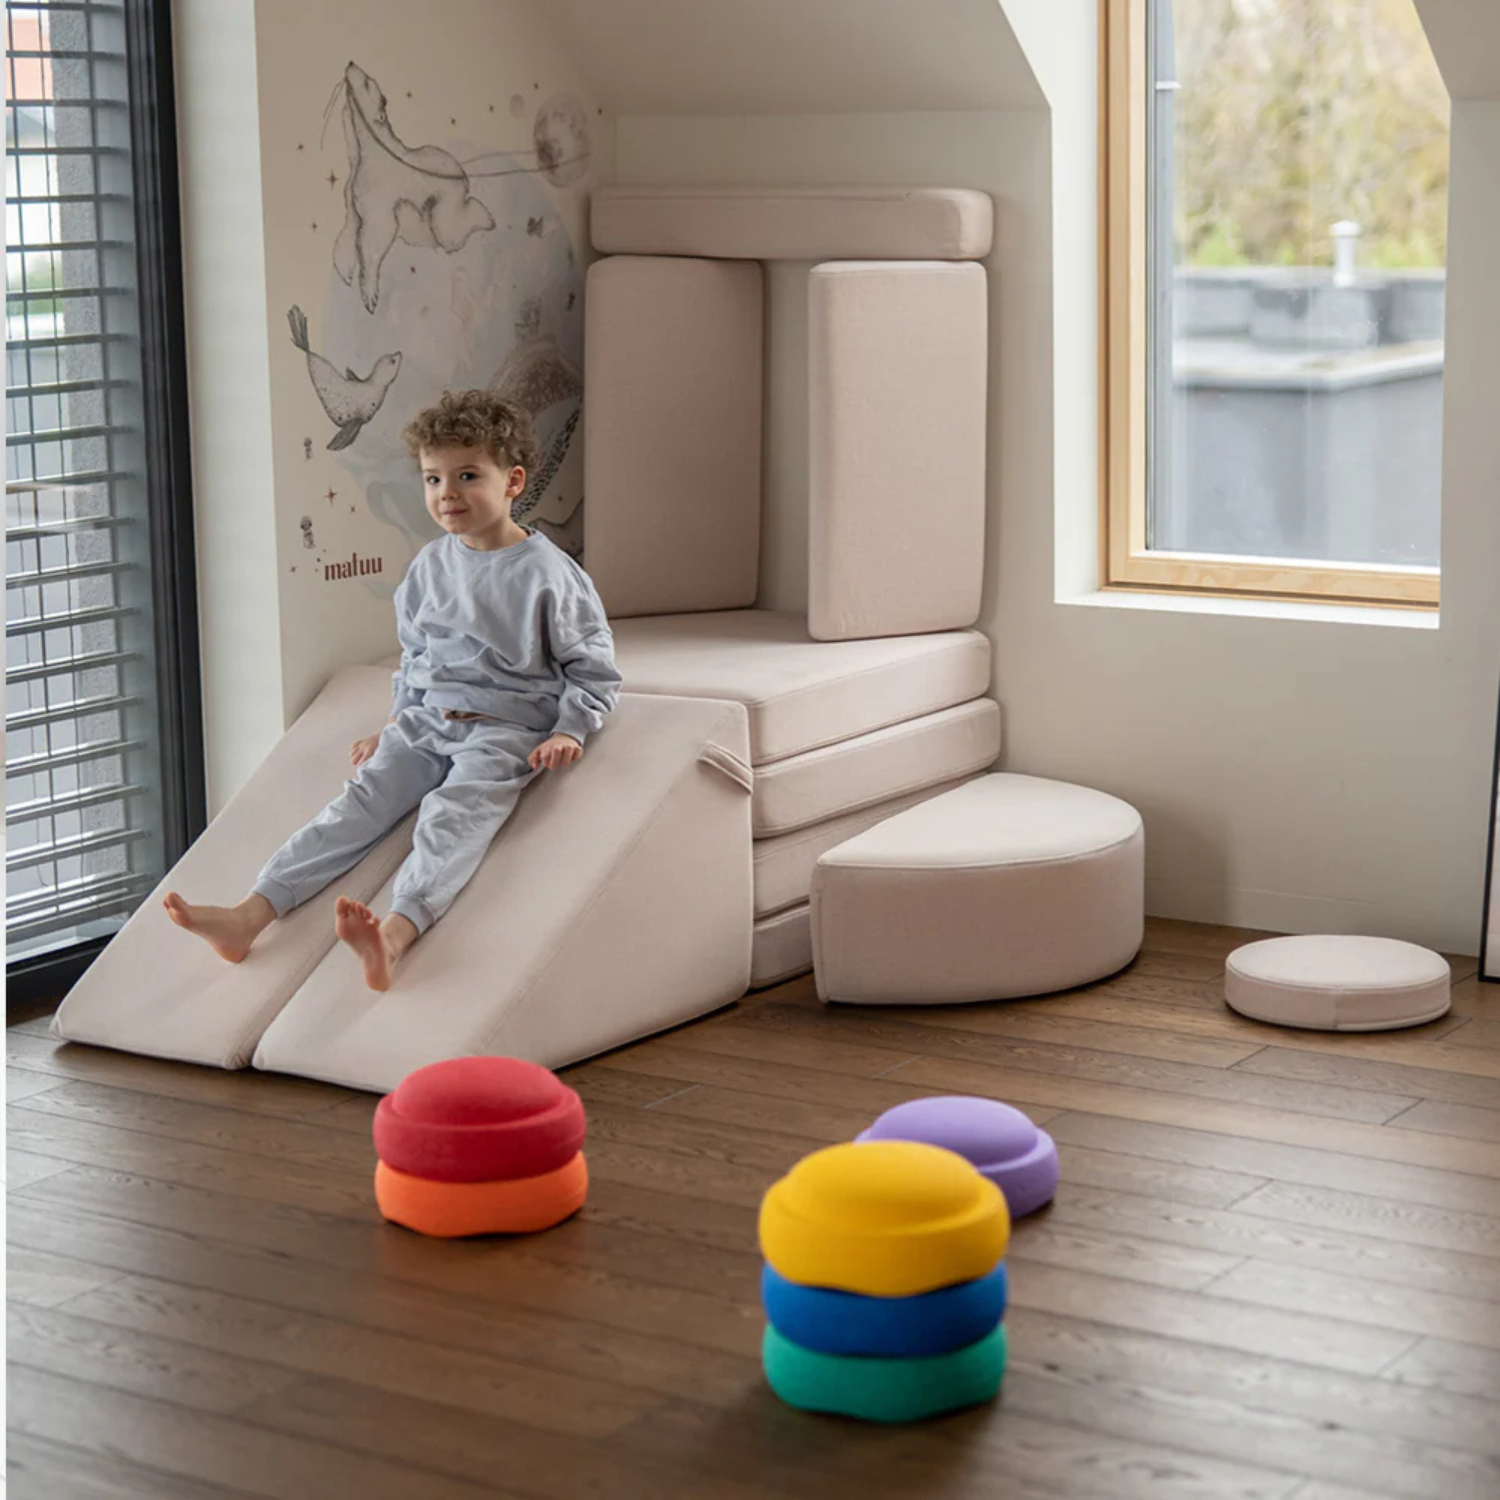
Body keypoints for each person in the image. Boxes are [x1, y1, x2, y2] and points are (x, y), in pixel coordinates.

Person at [165, 389, 620, 990]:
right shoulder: (430, 565)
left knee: (451, 818)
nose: (446, 493)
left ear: (512, 481)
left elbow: (593, 666)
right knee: (355, 806)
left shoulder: (550, 574)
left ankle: (394, 936)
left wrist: (570, 729)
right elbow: (417, 657)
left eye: (467, 475)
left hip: (507, 730)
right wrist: (395, 722)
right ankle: (248, 916)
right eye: (433, 479)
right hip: (428, 721)